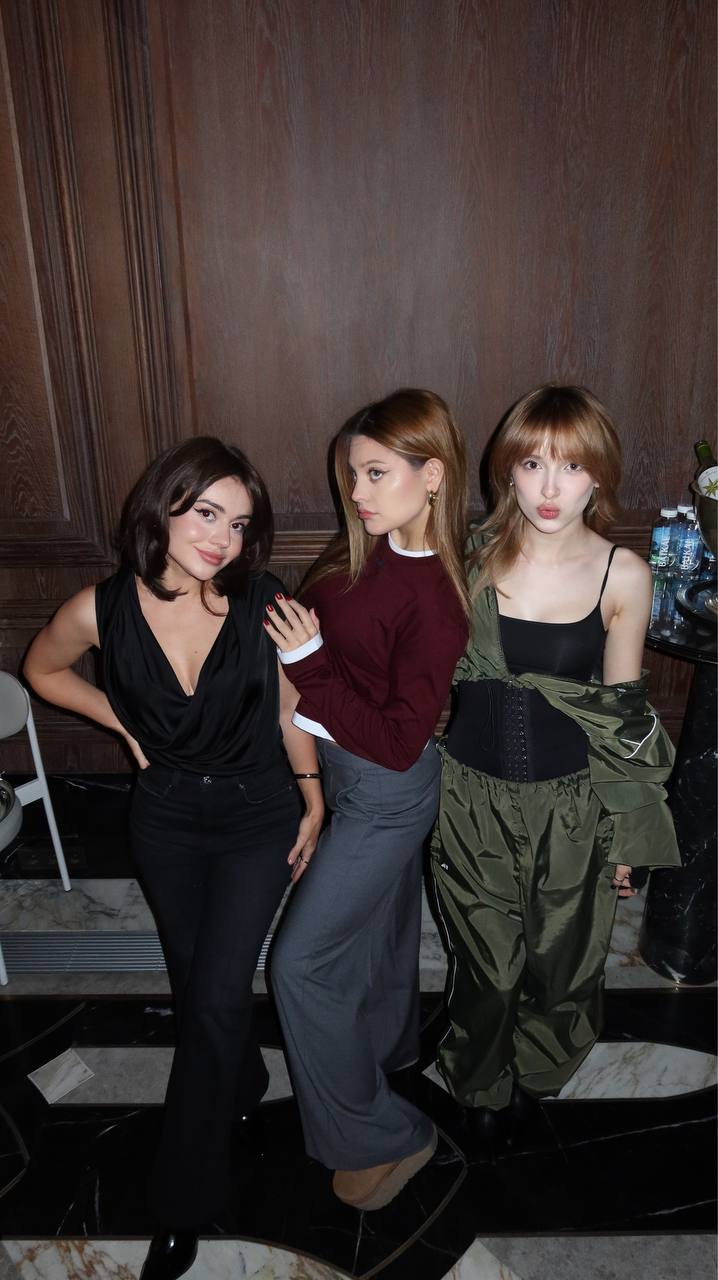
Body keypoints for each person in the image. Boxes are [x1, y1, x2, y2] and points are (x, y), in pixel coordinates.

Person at [23, 437, 323, 1280]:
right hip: (165, 821)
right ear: (163, 505)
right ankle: (242, 1080)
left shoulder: (264, 601)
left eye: (239, 524)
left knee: (217, 995)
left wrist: (312, 795)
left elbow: (290, 707)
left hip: (257, 816)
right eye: (207, 514)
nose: (223, 538)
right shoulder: (102, 607)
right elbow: (42, 668)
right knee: (198, 985)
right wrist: (120, 721)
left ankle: (182, 1200)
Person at [430, 385, 680, 1127]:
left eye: (571, 467)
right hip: (469, 798)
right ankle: (478, 1080)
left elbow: (623, 714)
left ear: (598, 476)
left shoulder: (622, 573)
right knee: (485, 964)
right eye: (532, 463)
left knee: (563, 956)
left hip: (573, 805)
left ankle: (544, 1067)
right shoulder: (465, 558)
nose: (549, 487)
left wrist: (628, 832)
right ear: (507, 470)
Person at [263, 388, 471, 1211]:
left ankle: (388, 1135)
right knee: (380, 937)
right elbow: (317, 671)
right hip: (347, 776)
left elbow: (396, 740)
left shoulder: (437, 601)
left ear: (433, 476)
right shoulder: (365, 553)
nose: (356, 492)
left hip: (388, 791)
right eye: (353, 474)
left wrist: (310, 661)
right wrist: (314, 793)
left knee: (298, 964)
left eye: (376, 473)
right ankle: (384, 1057)